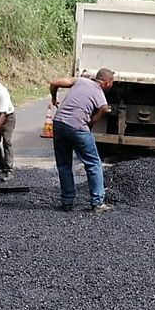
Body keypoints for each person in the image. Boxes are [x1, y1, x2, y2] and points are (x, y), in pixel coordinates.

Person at [49, 68, 114, 213]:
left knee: (64, 165)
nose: (111, 86)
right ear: (107, 82)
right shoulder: (99, 92)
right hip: (77, 127)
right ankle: (97, 203)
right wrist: (91, 123)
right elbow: (103, 108)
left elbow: (54, 83)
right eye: (112, 83)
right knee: (93, 164)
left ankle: (67, 202)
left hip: (59, 123)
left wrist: (54, 98)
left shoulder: (80, 80)